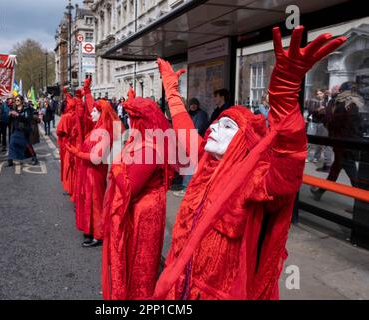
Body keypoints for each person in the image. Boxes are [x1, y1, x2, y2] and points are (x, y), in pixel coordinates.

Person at [153, 26, 346, 300]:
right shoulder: (207, 162)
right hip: (182, 285)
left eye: (227, 126)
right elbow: (184, 128)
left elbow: (288, 161)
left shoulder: (252, 180)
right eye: (217, 124)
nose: (214, 129)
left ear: (243, 141)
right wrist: (171, 91)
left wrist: (285, 93)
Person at [102, 94, 174, 300]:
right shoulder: (143, 143)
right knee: (137, 258)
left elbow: (128, 187)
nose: (130, 123)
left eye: (133, 119)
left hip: (144, 213)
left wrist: (115, 166)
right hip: (140, 208)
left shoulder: (151, 149)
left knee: (141, 262)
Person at [67, 81, 121, 247]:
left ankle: (98, 234)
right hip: (88, 172)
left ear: (102, 113)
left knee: (95, 203)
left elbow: (96, 157)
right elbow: (89, 108)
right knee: (88, 202)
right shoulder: (97, 127)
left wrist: (77, 153)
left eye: (96, 112)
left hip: (95, 173)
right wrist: (87, 92)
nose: (92, 113)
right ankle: (90, 230)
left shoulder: (104, 132)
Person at [310, 85, 363, 201]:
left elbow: (335, 122)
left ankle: (361, 202)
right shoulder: (353, 103)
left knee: (349, 172)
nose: (337, 93)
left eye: (339, 90)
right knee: (335, 170)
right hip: (346, 143)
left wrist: (325, 118)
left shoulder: (345, 104)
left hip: (344, 143)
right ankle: (319, 192)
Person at [174, 97, 209, 198]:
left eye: (195, 104)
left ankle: (186, 187)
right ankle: (187, 185)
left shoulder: (201, 114)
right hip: (188, 140)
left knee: (192, 164)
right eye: (192, 104)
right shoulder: (188, 114)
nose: (193, 106)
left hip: (196, 140)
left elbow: (199, 127)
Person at [7, 95, 38, 166]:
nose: (16, 101)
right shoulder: (13, 108)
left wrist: (18, 115)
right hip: (16, 129)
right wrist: (9, 115)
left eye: (18, 100)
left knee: (27, 145)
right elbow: (10, 120)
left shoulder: (26, 109)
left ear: (22, 101)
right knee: (12, 143)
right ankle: (10, 159)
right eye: (15, 100)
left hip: (24, 130)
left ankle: (34, 157)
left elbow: (27, 119)